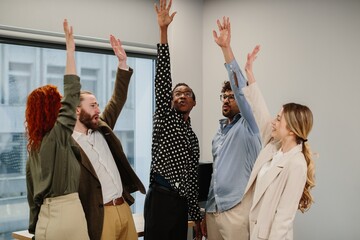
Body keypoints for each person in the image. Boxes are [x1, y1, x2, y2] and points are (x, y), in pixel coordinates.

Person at [241, 33, 316, 240]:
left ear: (291, 129)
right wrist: (249, 71)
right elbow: (259, 107)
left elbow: (283, 220)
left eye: (278, 118)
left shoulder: (297, 164)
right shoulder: (273, 145)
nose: (273, 121)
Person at [72, 34, 146, 240]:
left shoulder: (102, 126)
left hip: (123, 208)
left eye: (97, 105)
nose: (98, 109)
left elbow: (117, 99)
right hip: (99, 215)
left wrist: (122, 63)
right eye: (92, 105)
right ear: (77, 111)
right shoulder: (68, 144)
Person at [25, 19, 89, 240]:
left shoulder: (33, 149)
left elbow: (32, 196)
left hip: (45, 218)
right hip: (68, 213)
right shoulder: (59, 135)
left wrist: (35, 228)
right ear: (53, 109)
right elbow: (72, 94)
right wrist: (70, 52)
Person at [143, 0, 202, 239]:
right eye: (177, 93)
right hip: (160, 198)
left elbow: (193, 177)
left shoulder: (192, 137)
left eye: (187, 93)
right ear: (169, 101)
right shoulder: (164, 119)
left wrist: (196, 216)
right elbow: (163, 77)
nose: (182, 96)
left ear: (194, 102)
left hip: (180, 204)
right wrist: (163, 31)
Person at [202, 17, 262, 240]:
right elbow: (216, 176)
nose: (226, 100)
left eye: (231, 97)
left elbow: (240, 89)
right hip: (214, 209)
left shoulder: (250, 125)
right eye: (223, 97)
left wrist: (226, 49)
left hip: (237, 209)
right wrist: (206, 211)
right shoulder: (219, 134)